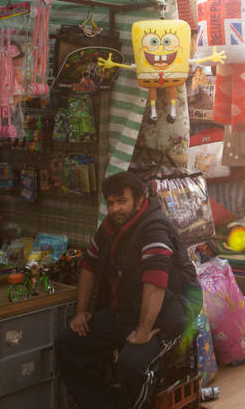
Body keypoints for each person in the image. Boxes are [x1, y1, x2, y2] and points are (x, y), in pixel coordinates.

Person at [57, 173, 202, 409]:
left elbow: (155, 281)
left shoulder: (154, 227)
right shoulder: (109, 227)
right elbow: (89, 265)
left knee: (132, 364)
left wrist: (144, 331)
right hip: (128, 309)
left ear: (139, 199)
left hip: (170, 312)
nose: (115, 209)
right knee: (69, 342)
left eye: (121, 201)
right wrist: (81, 312)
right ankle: (106, 404)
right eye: (111, 203)